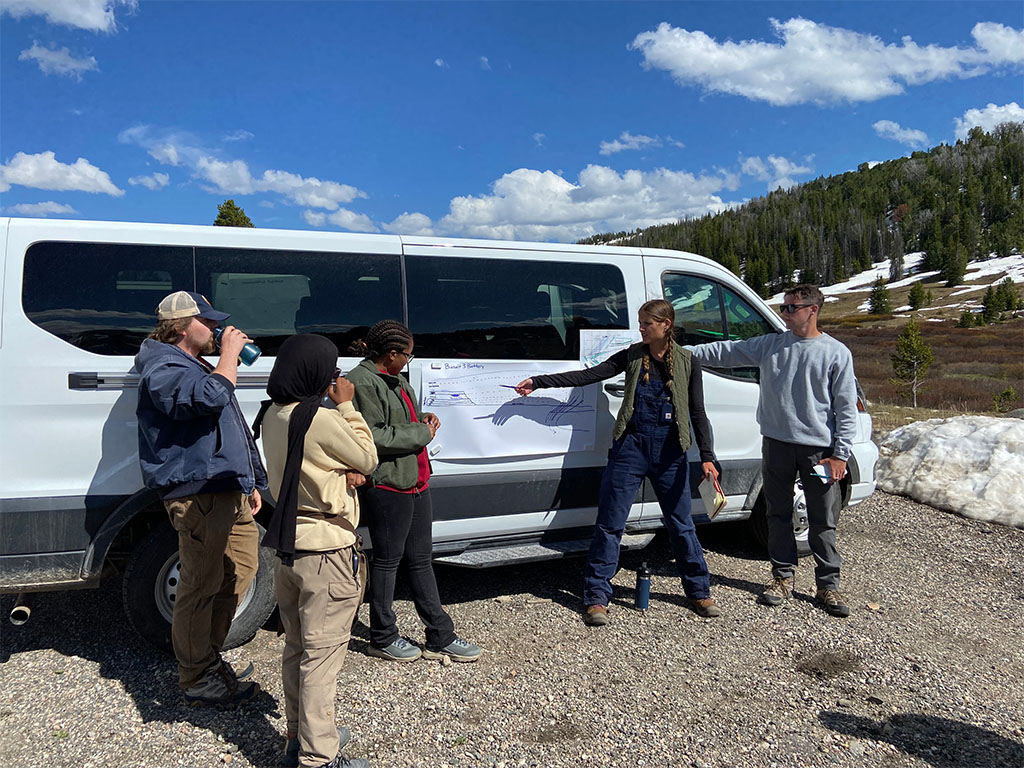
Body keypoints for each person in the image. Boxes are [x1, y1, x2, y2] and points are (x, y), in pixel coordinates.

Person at [515, 299, 720, 626]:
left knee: (681, 524)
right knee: (610, 523)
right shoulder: (632, 356)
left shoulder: (687, 362)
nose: (641, 329)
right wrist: (539, 382)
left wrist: (707, 457)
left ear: (665, 324)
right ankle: (597, 597)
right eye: (641, 323)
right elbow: (588, 375)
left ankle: (699, 591)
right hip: (631, 447)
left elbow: (697, 412)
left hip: (670, 452)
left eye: (646, 323)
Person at [688, 284, 857, 618]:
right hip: (776, 444)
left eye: (792, 307)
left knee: (823, 519)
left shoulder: (836, 353)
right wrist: (681, 352)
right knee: (777, 514)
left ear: (813, 310)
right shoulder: (771, 345)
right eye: (784, 307)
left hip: (819, 451)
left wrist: (840, 455)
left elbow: (846, 408)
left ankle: (828, 585)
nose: (785, 313)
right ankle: (782, 577)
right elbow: (727, 352)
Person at [135, 290, 267, 705]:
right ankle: (196, 677)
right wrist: (229, 356)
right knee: (201, 583)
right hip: (197, 490)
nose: (215, 328)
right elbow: (208, 399)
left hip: (224, 486)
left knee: (240, 569)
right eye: (206, 322)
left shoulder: (192, 363)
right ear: (179, 326)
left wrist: (249, 480)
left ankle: (209, 658)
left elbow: (231, 427)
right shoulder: (163, 365)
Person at [253, 334, 376, 768]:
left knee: (297, 648)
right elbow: (368, 456)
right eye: (331, 371)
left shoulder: (272, 413)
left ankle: (299, 737)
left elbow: (314, 464)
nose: (334, 378)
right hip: (327, 550)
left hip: (290, 547)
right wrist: (347, 406)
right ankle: (319, 756)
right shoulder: (321, 418)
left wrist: (340, 472)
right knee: (322, 659)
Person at [347, 320, 482, 663]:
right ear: (391, 354)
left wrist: (424, 418)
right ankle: (382, 637)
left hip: (416, 480)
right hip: (388, 483)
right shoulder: (362, 381)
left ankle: (440, 634)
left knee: (421, 560)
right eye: (407, 354)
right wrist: (423, 434)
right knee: (387, 561)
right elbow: (372, 436)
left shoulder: (397, 377)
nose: (409, 360)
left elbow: (405, 419)